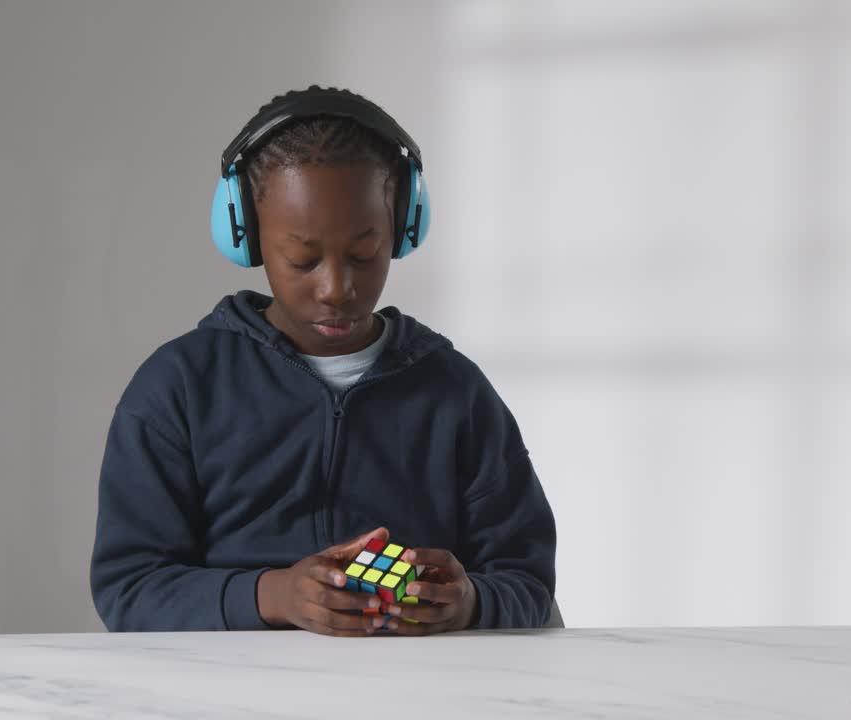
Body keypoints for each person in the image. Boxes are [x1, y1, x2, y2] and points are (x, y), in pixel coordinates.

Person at [89, 86, 556, 636]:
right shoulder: (178, 389)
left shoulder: (455, 392)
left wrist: (471, 601)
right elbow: (129, 587)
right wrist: (275, 594)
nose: (337, 288)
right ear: (246, 235)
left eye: (364, 255)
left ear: (403, 229)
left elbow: (527, 583)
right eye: (303, 260)